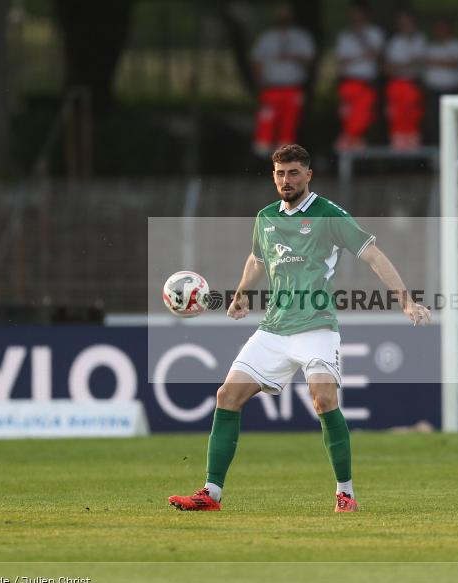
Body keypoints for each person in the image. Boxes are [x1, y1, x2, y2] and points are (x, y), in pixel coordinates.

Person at [168, 144, 432, 513]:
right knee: (227, 396)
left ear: (308, 175)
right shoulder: (265, 217)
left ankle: (345, 493)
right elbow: (259, 259)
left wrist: (406, 300)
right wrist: (243, 293)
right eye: (279, 173)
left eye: (293, 173)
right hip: (274, 328)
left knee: (324, 401)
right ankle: (210, 494)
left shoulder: (328, 215)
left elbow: (372, 254)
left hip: (316, 327)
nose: (286, 180)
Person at [250, 5, 316, 157]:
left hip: (292, 88)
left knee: (289, 126)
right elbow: (256, 62)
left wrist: (294, 57)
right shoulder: (266, 38)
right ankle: (262, 161)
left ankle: (286, 161)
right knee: (266, 126)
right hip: (271, 88)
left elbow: (310, 61)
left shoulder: (301, 37)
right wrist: (259, 81)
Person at [334, 3, 384, 151]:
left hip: (366, 83)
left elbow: (375, 55)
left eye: (358, 14)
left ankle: (348, 139)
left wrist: (360, 38)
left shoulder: (375, 33)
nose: (355, 18)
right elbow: (341, 61)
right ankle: (354, 143)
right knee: (348, 116)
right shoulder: (344, 35)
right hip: (349, 82)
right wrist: (361, 56)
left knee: (364, 115)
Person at [384, 9, 427, 151]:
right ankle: (397, 149)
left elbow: (420, 62)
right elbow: (388, 67)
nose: (405, 25)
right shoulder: (394, 42)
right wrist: (406, 64)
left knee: (412, 116)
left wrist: (401, 65)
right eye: (402, 22)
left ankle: (413, 149)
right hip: (397, 85)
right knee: (397, 116)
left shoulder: (420, 40)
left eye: (407, 22)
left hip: (412, 84)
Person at [422, 19, 458, 146]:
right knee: (435, 123)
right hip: (434, 92)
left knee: (455, 123)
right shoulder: (429, 47)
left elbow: (457, 64)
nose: (440, 31)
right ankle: (435, 156)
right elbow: (423, 63)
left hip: (454, 91)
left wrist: (435, 62)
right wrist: (445, 62)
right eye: (438, 28)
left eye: (443, 28)